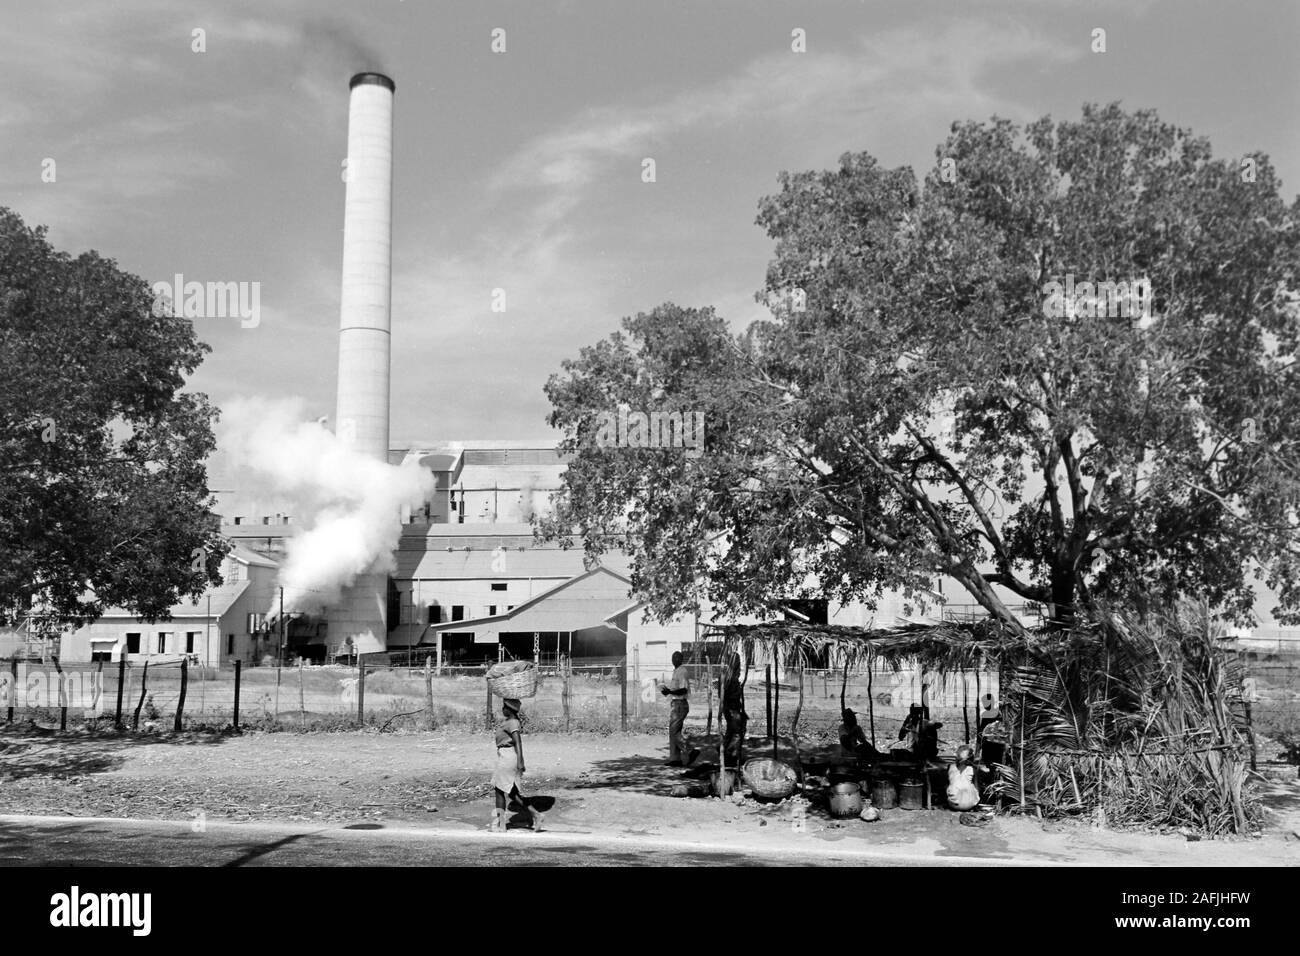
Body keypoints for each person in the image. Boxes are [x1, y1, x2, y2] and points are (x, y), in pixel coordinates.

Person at [489, 698, 543, 832]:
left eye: (504, 706)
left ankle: (501, 825)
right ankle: (536, 814)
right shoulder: (510, 722)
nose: (502, 709)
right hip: (505, 756)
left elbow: (518, 742)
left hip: (508, 757)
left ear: (509, 709)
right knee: (511, 792)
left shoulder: (512, 722)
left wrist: (521, 761)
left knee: (499, 790)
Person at [659, 651, 699, 767]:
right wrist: (667, 691)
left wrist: (670, 691)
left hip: (680, 704)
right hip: (676, 703)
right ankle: (675, 759)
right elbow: (677, 689)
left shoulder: (682, 671)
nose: (674, 660)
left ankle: (691, 751)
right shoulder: (676, 671)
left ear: (681, 659)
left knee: (673, 731)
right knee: (674, 732)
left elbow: (683, 690)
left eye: (677, 658)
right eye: (673, 658)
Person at [718, 650, 748, 768]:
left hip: (733, 707)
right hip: (731, 708)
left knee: (731, 731)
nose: (739, 664)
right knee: (737, 732)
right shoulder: (728, 675)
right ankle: (730, 754)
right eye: (737, 661)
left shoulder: (732, 674)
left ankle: (727, 752)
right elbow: (723, 694)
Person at [946, 744, 979, 810]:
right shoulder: (973, 769)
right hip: (970, 804)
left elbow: (948, 783)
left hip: (953, 804)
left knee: (951, 785)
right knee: (972, 785)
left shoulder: (950, 767)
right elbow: (977, 788)